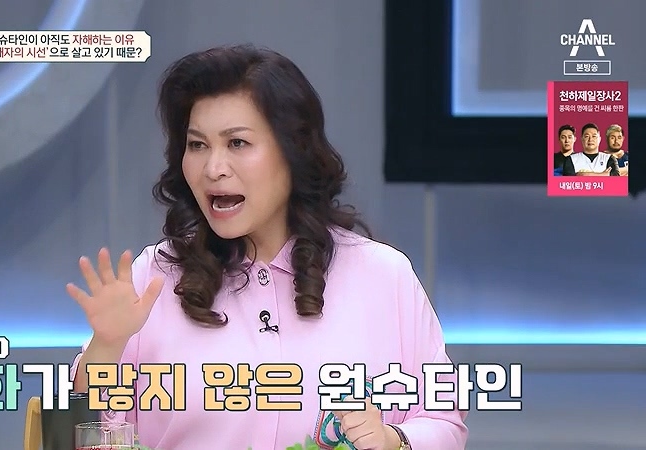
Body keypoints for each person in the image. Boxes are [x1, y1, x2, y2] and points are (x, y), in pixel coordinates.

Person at [67, 44, 468, 450]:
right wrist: (108, 344)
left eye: (237, 143)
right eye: (197, 145)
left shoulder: (382, 275)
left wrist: (393, 440)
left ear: (294, 151)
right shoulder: (154, 278)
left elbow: (443, 421)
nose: (213, 169)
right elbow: (79, 433)